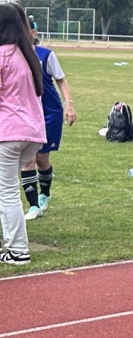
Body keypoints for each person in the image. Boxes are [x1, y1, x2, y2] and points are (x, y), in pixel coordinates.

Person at [0, 4, 47, 266]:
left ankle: (18, 249)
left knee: (6, 190)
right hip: (32, 132)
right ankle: (13, 245)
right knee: (3, 187)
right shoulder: (26, 55)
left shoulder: (3, 55)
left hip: (9, 132)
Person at [20, 28, 77, 220]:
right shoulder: (14, 54)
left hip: (49, 113)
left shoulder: (46, 55)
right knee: (28, 159)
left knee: (42, 159)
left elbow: (61, 80)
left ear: (32, 31)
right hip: (26, 114)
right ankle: (33, 205)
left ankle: (45, 194)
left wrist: (69, 105)